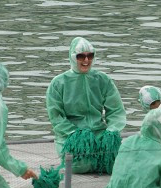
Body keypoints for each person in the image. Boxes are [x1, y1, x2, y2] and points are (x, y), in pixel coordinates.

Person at [46, 37, 126, 173]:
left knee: (113, 163)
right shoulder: (59, 83)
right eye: (81, 56)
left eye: (90, 55)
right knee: (81, 165)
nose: (86, 60)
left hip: (99, 133)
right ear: (72, 57)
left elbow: (116, 110)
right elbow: (56, 116)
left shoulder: (102, 79)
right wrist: (75, 134)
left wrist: (111, 131)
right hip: (70, 137)